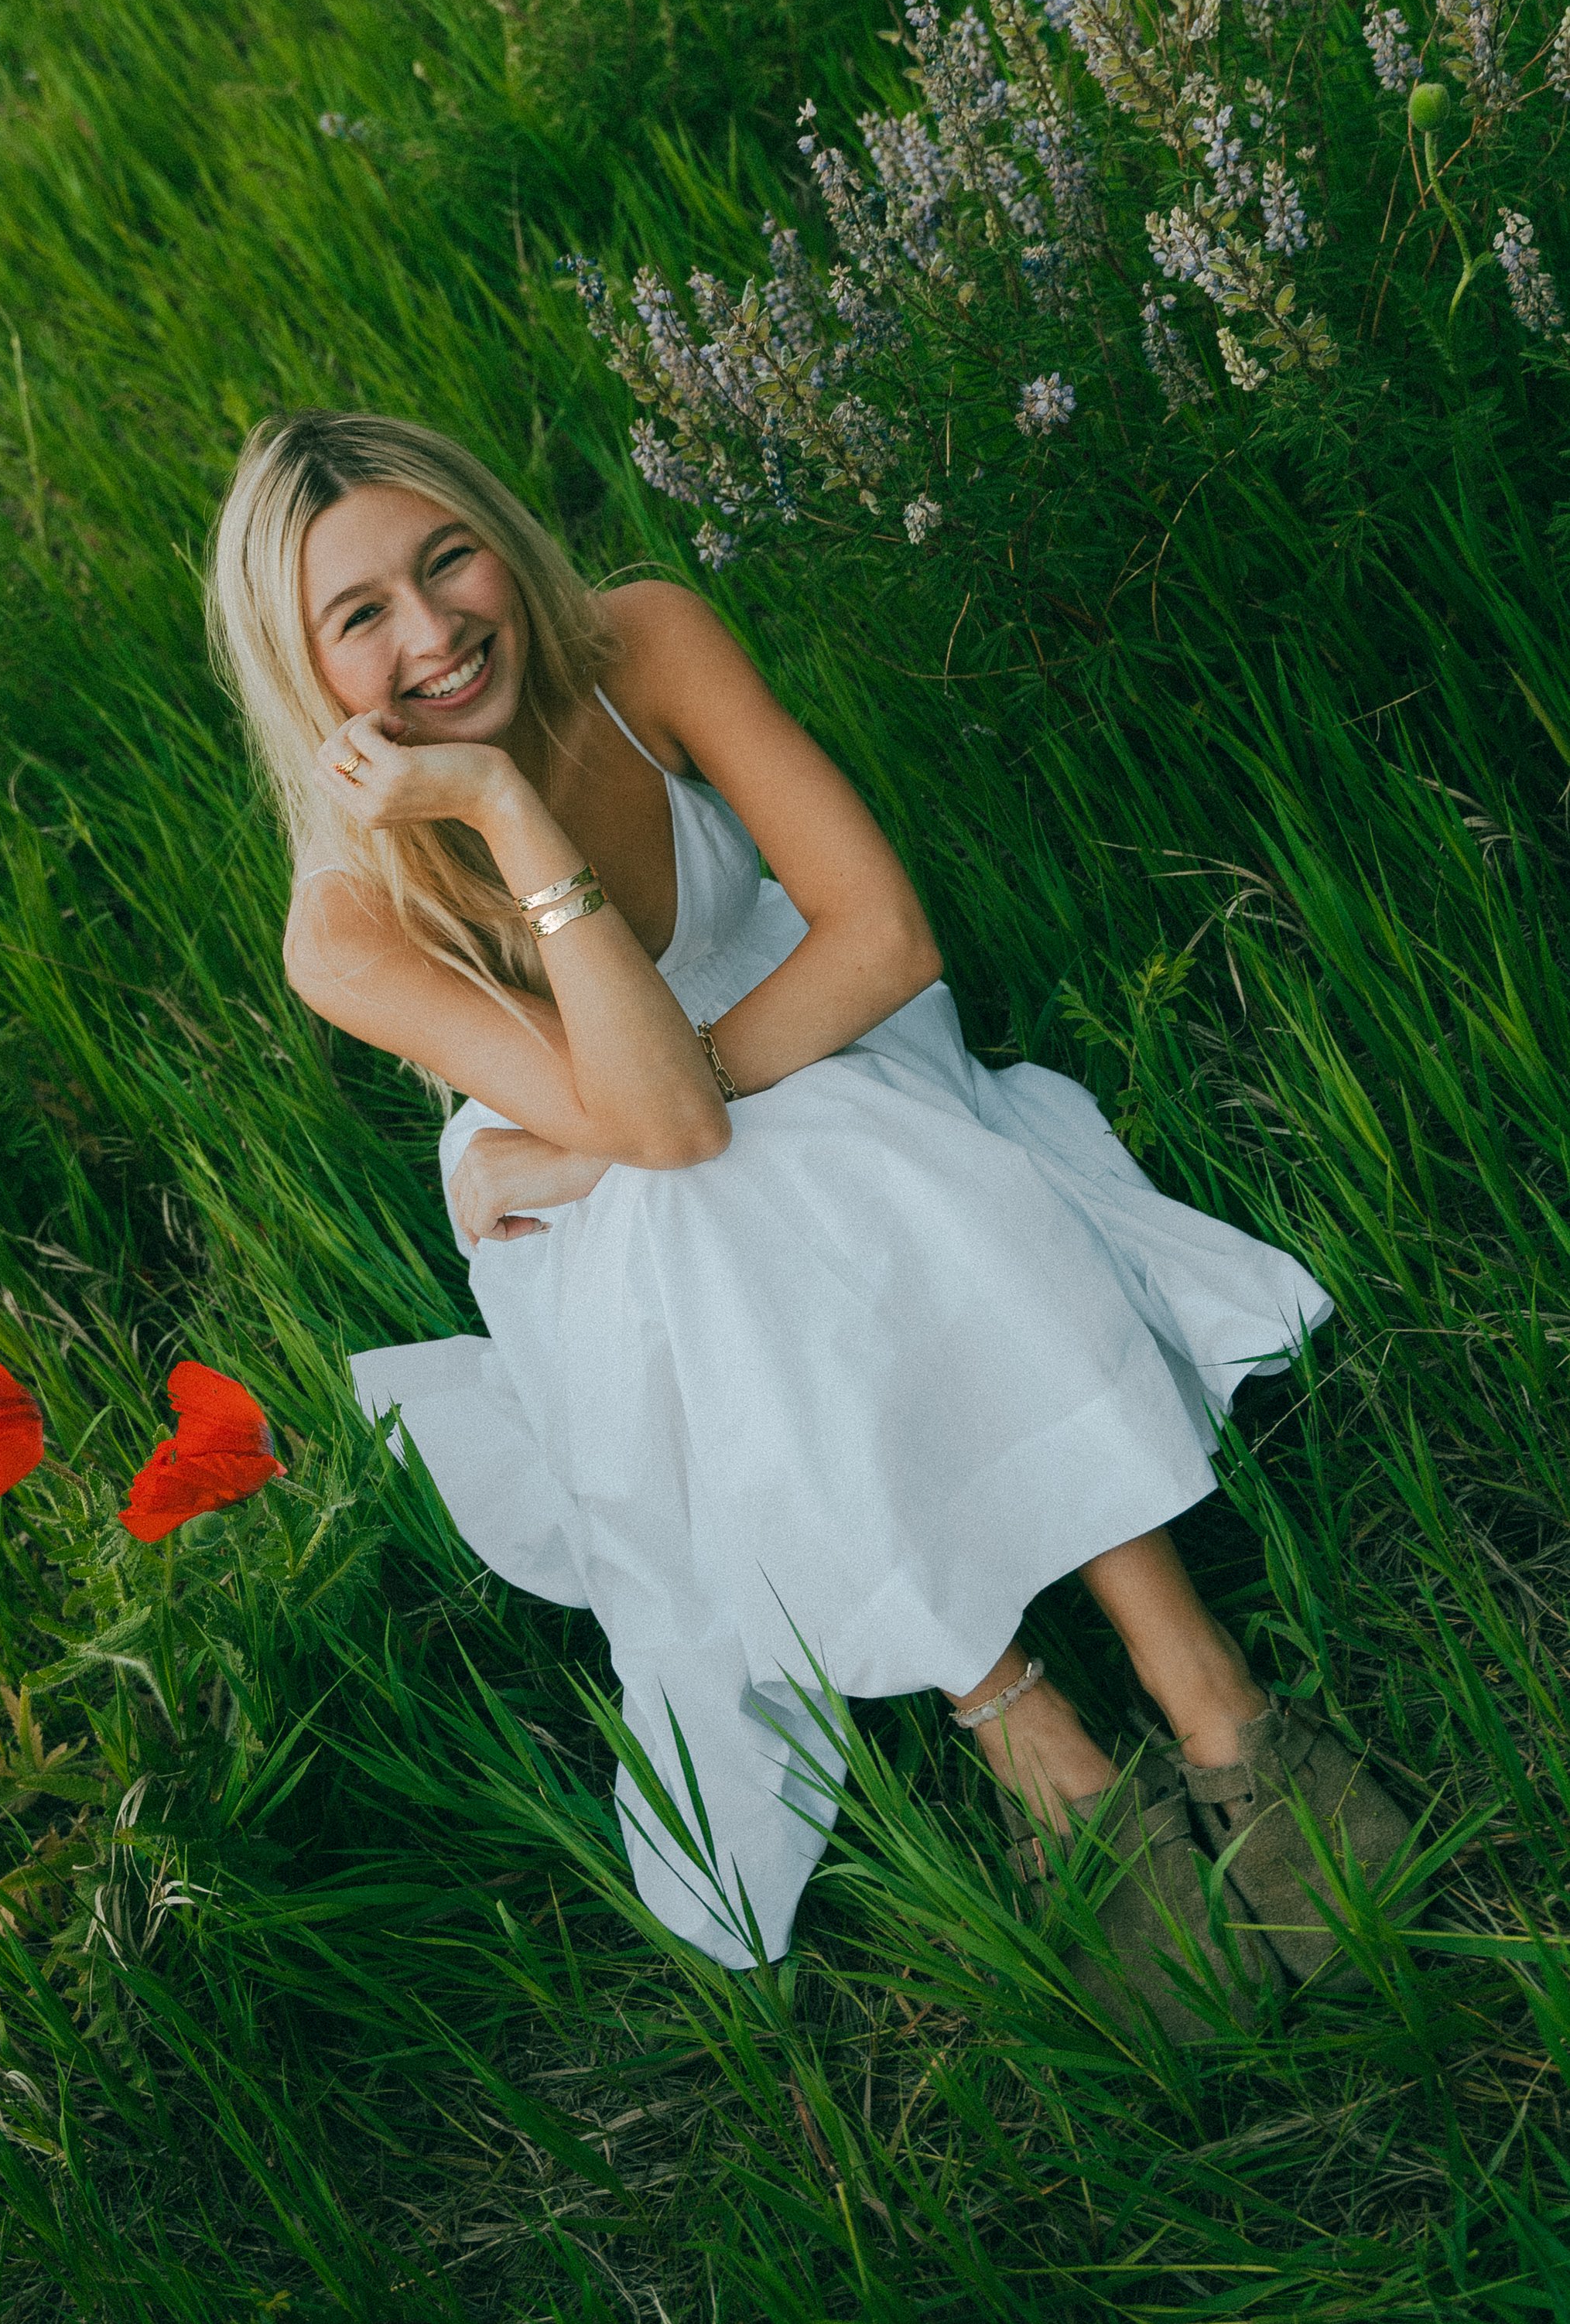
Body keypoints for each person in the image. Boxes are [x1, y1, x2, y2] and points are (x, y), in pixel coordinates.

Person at [207, 407, 1411, 2035]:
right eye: (361, 618)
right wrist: (496, 808)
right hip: (613, 1177)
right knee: (737, 1196)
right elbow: (666, 1128)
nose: (432, 633)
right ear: (300, 669)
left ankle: (1197, 1692)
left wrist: (620, 1132)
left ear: (502, 533)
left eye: (448, 559)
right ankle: (1030, 1730)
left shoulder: (642, 642)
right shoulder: (341, 923)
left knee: (809, 1144)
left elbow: (882, 937)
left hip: (793, 1035)